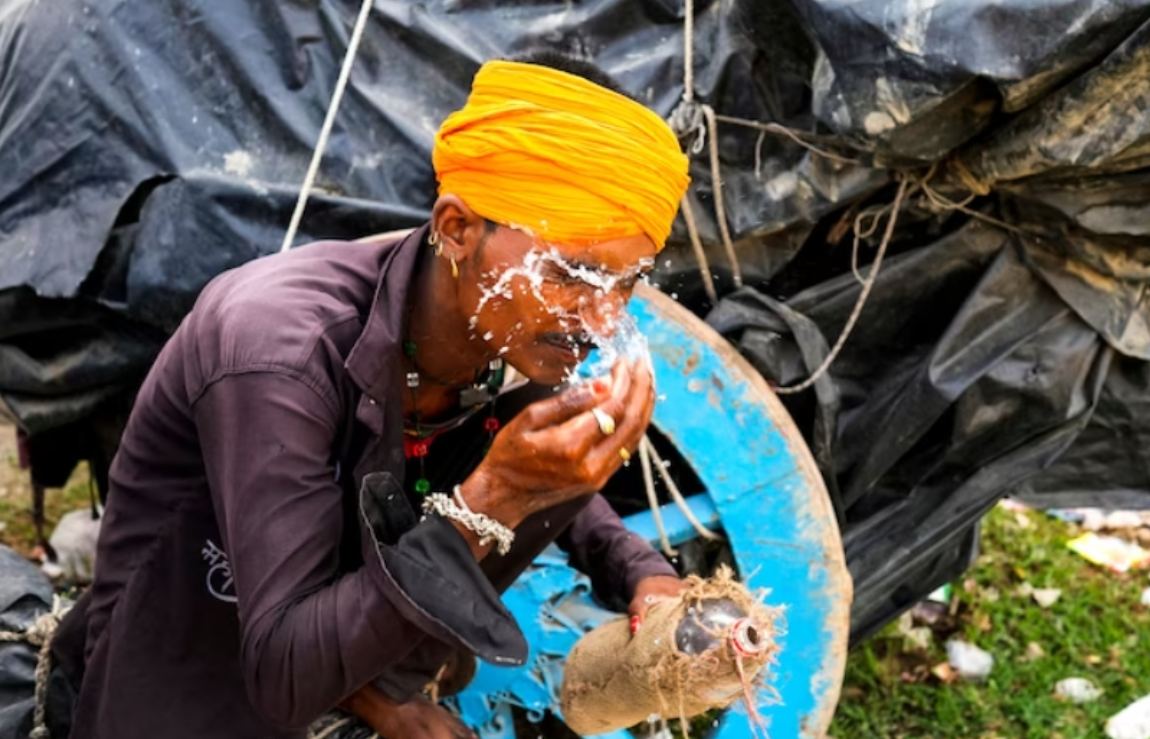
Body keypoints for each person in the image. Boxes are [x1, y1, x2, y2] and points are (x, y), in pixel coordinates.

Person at [49, 51, 693, 739]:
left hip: (352, 652)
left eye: (626, 283)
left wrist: (641, 570)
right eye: (571, 272)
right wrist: (496, 494)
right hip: (191, 681)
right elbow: (282, 674)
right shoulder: (279, 349)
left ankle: (369, 688)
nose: (601, 318)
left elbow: (538, 463)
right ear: (457, 228)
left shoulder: (503, 330)